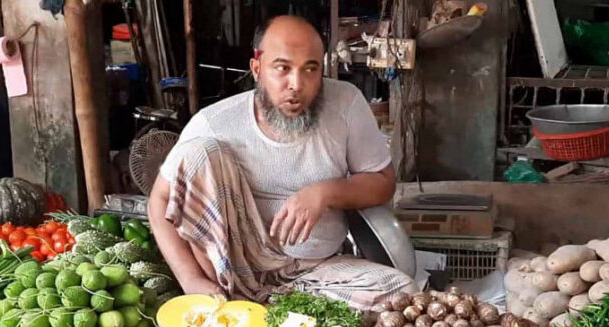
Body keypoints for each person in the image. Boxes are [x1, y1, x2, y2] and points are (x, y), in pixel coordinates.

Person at [148, 15, 417, 310]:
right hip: (235, 277)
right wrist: (190, 280)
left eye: (310, 69)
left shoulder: (346, 104)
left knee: (402, 295)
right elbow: (158, 202)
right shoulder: (214, 122)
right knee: (197, 152)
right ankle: (246, 307)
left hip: (318, 272)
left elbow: (382, 182)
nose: (296, 85)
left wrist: (324, 193)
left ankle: (273, 315)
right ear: (257, 68)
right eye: (282, 68)